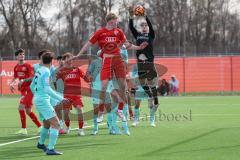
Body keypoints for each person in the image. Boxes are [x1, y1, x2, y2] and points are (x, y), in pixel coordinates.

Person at [72, 13, 148, 113]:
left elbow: (127, 45)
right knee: (103, 86)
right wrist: (78, 54)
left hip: (118, 60)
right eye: (116, 21)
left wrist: (139, 47)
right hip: (107, 61)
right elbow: (88, 44)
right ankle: (101, 109)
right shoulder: (100, 32)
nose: (117, 22)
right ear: (111, 21)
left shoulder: (119, 32)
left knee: (123, 86)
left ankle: (120, 109)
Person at [31, 52, 68, 155]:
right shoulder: (46, 72)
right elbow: (47, 89)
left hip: (38, 99)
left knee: (47, 123)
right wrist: (61, 98)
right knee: (56, 124)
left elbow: (31, 86)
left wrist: (38, 95)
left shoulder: (39, 70)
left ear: (42, 60)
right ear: (52, 61)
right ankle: (50, 149)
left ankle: (41, 143)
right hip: (43, 100)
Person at [128, 6, 159, 113]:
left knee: (151, 82)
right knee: (142, 82)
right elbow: (131, 28)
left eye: (146, 25)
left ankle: (155, 101)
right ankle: (150, 96)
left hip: (149, 61)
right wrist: (131, 16)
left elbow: (150, 25)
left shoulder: (151, 35)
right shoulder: (138, 35)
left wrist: (145, 17)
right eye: (143, 25)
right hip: (140, 61)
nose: (144, 26)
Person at [10, 49, 41, 135]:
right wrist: (11, 84)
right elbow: (15, 77)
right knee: (28, 111)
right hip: (23, 90)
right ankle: (40, 127)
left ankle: (24, 129)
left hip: (29, 89)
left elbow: (33, 77)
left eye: (23, 54)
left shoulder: (28, 66)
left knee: (20, 107)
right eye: (20, 54)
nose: (22, 56)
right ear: (16, 56)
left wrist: (23, 80)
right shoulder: (16, 67)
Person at [57, 52, 90, 136]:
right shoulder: (61, 71)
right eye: (67, 58)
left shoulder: (77, 69)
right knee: (66, 113)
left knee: (80, 110)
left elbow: (86, 79)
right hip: (67, 95)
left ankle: (81, 129)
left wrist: (89, 78)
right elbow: (54, 80)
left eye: (71, 58)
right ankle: (68, 127)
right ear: (64, 60)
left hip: (77, 95)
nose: (70, 60)